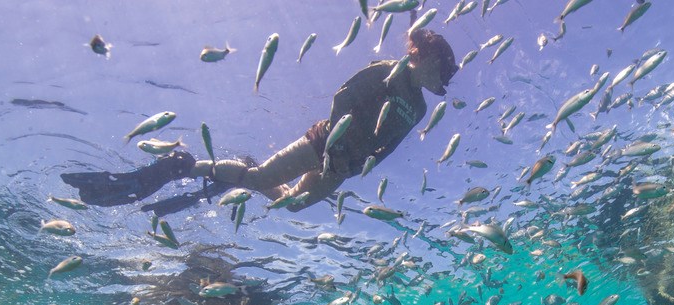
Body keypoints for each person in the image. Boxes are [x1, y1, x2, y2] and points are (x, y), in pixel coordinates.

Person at [62, 29, 458, 216]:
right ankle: (187, 165)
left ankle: (240, 172)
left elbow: (387, 146)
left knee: (291, 205)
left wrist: (357, 168)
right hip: (322, 144)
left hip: (343, 168)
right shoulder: (385, 71)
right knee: (257, 182)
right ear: (426, 58)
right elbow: (342, 99)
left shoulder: (421, 110)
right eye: (443, 71)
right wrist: (335, 148)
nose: (444, 81)